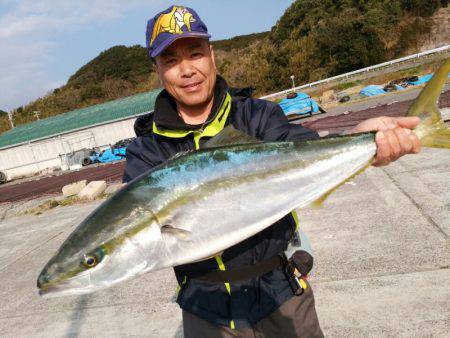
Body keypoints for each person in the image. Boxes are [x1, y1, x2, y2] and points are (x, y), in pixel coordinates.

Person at [123, 5, 421, 338]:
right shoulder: (146, 152)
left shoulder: (257, 117)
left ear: (212, 55)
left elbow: (306, 153)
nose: (187, 70)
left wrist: (362, 142)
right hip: (205, 310)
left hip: (281, 295)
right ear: (158, 71)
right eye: (171, 60)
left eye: (195, 53)